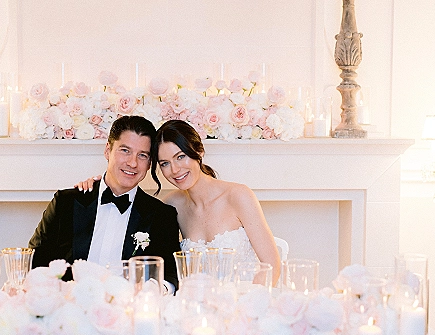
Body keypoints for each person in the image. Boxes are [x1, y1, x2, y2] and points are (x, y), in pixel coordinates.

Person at [77, 119, 280, 284]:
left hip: (246, 303)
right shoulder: (171, 205)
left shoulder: (238, 196)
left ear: (198, 152)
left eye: (180, 157)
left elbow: (272, 266)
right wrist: (97, 187)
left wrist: (244, 310)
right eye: (165, 163)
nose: (174, 170)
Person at [29, 115, 180, 292]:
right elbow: (35, 260)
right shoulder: (66, 203)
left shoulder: (162, 215)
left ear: (149, 164)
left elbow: (171, 276)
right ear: (108, 150)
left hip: (128, 311)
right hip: (70, 309)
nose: (133, 163)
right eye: (125, 151)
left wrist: (149, 291)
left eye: (142, 155)